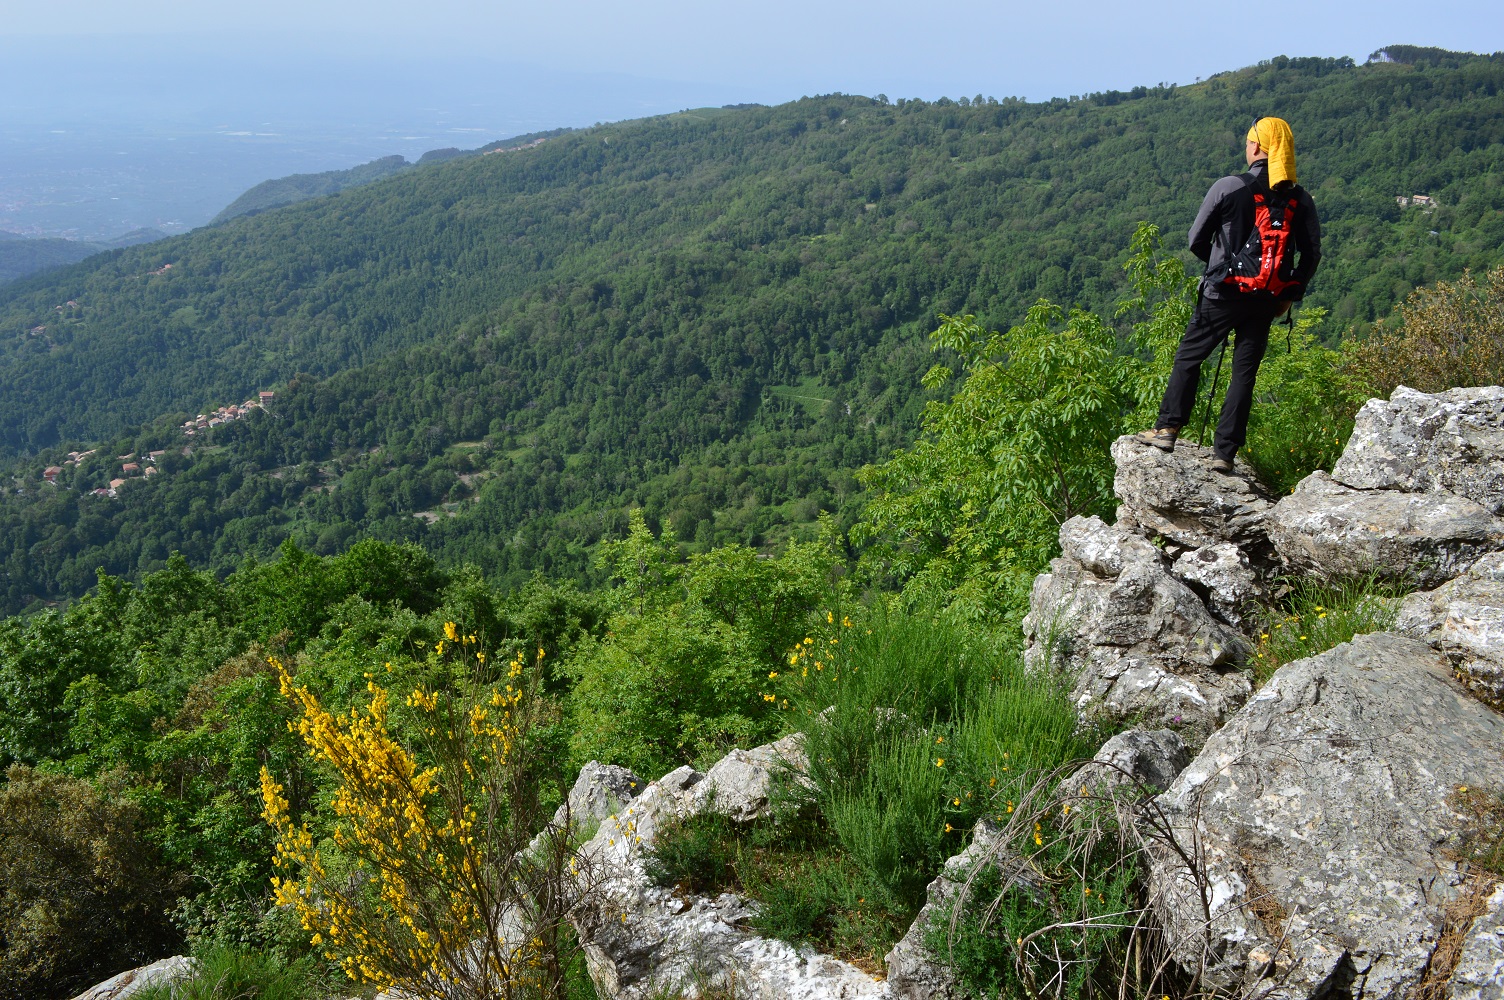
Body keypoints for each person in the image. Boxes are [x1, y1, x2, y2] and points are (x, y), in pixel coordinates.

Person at [1139, 117, 1321, 473]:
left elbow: (1196, 239)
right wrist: (1290, 293)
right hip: (1267, 298)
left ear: (1256, 146)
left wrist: (1221, 267)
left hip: (1221, 295)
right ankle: (1224, 453)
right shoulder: (1300, 198)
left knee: (1190, 357)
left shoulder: (1229, 186)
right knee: (1244, 373)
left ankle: (1167, 428)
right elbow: (1311, 253)